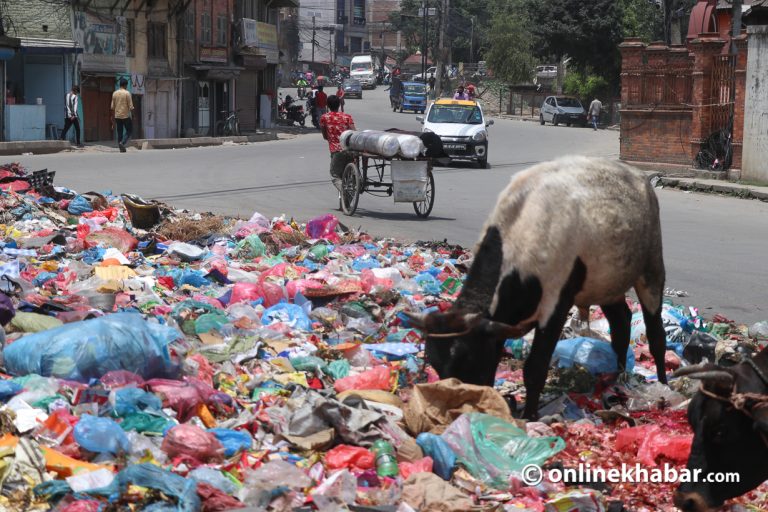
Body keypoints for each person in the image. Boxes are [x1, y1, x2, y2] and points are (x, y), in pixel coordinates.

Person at [319, 95, 356, 200]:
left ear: (327, 105)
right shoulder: (347, 117)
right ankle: (350, 190)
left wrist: (330, 138)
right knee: (350, 173)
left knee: (335, 175)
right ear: (339, 105)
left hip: (336, 150)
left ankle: (345, 191)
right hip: (350, 150)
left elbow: (325, 136)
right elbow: (354, 132)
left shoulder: (324, 117)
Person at [111, 78, 134, 153]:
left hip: (117, 116)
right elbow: (131, 106)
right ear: (125, 85)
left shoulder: (114, 93)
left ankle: (120, 146)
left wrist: (112, 117)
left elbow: (112, 107)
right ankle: (122, 143)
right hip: (125, 116)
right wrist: (133, 116)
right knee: (129, 130)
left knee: (119, 132)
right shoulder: (127, 93)